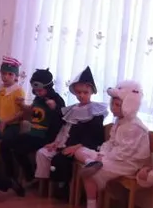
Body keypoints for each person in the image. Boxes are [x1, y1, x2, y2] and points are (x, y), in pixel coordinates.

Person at [71, 80, 149, 208]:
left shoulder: (135, 126)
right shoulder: (119, 121)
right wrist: (101, 154)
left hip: (127, 163)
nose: (113, 108)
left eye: (118, 105)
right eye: (113, 104)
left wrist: (104, 157)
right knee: (80, 151)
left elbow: (126, 152)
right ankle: (91, 162)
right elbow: (111, 143)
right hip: (112, 157)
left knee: (90, 174)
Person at [35, 66, 107, 195]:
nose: (81, 95)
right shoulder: (73, 109)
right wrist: (56, 142)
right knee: (42, 152)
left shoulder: (95, 111)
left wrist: (77, 146)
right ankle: (45, 184)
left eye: (85, 92)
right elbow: (65, 129)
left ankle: (63, 189)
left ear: (91, 92)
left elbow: (95, 135)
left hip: (81, 146)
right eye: (79, 92)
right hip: (65, 144)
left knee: (60, 160)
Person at [0, 68, 65, 184]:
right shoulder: (39, 98)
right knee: (5, 144)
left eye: (40, 90)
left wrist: (55, 108)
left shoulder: (57, 100)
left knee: (19, 149)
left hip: (46, 137)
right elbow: (31, 110)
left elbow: (63, 119)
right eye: (36, 91)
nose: (38, 93)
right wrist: (22, 105)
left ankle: (30, 176)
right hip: (33, 133)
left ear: (48, 87)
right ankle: (10, 176)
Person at [0, 57, 25, 160]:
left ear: (16, 76)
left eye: (10, 74)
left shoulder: (18, 91)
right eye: (3, 73)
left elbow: (22, 112)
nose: (6, 77)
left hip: (12, 126)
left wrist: (6, 122)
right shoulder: (1, 89)